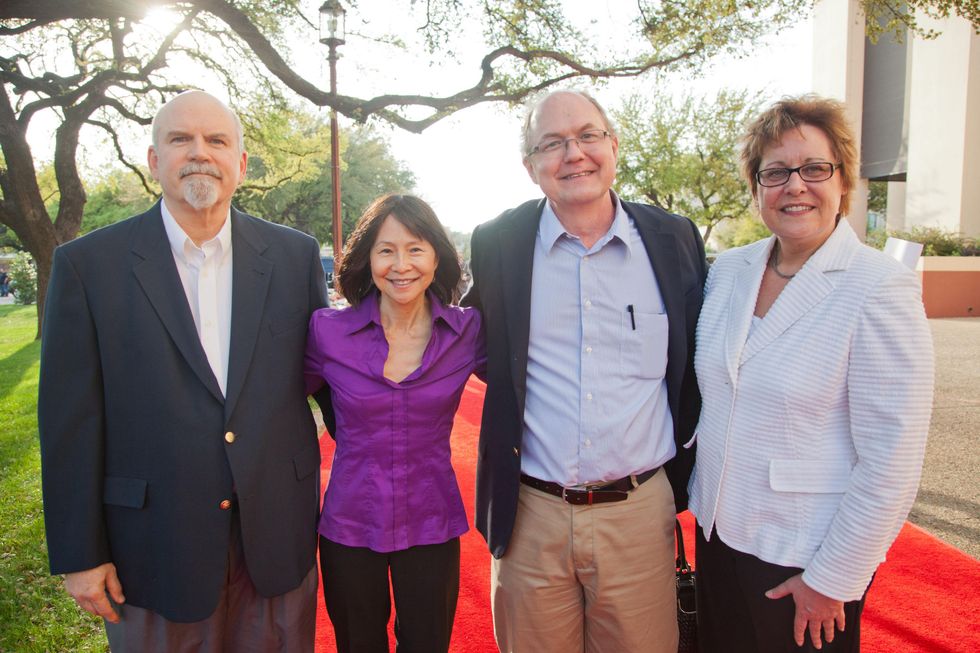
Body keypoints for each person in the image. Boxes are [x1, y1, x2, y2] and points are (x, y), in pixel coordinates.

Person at [38, 90, 329, 652]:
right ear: (153, 161)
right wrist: (79, 554)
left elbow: (332, 381)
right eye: (180, 140)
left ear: (241, 165)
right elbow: (69, 423)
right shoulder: (86, 266)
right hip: (152, 548)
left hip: (274, 540)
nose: (200, 153)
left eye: (217, 141)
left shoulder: (294, 257)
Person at [462, 89, 707, 653]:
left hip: (640, 515)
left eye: (587, 136)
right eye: (552, 143)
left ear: (613, 146)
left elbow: (699, 359)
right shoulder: (499, 243)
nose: (573, 154)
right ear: (530, 167)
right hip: (531, 516)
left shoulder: (673, 240)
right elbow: (473, 344)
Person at [688, 95, 935, 652]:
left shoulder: (879, 287)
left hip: (807, 559)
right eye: (774, 172)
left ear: (842, 180)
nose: (794, 185)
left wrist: (832, 582)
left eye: (814, 168)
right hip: (719, 538)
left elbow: (892, 461)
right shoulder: (729, 270)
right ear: (756, 190)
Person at [305, 194, 485, 653]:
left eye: (415, 248)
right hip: (350, 523)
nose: (401, 264)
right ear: (367, 259)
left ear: (437, 257)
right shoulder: (326, 332)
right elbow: (277, 402)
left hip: (433, 520)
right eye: (386, 250)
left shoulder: (467, 332)